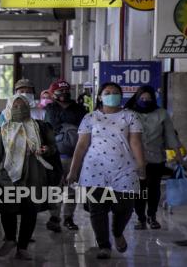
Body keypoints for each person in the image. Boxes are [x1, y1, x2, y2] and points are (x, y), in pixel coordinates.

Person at [66, 82, 146, 259]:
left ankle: (117, 232)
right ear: (100, 97)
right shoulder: (90, 118)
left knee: (124, 207)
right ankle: (104, 245)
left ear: (121, 96)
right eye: (107, 92)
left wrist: (141, 166)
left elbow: (135, 142)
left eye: (115, 92)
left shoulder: (130, 116)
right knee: (98, 210)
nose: (111, 95)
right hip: (94, 169)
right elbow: (81, 146)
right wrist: (73, 171)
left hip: (124, 168)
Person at [0, 95, 56, 260]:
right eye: (15, 106)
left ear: (28, 107)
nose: (19, 109)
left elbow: (53, 147)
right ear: (9, 108)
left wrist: (46, 149)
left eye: (22, 106)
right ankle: (10, 239)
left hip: (34, 176)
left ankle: (23, 247)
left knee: (30, 211)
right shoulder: (3, 130)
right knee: (7, 209)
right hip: (7, 178)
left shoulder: (40, 127)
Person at [124, 86, 182, 230]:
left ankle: (152, 216)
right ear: (137, 98)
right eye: (142, 98)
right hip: (134, 158)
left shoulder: (161, 113)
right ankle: (140, 218)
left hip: (156, 157)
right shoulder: (128, 113)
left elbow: (170, 134)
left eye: (149, 99)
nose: (145, 101)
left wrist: (178, 154)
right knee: (138, 189)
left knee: (154, 189)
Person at [44, 79, 87, 232]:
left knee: (71, 188)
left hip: (75, 155)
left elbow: (84, 129)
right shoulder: (50, 109)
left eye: (65, 91)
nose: (63, 94)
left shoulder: (79, 109)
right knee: (55, 188)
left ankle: (68, 217)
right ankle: (54, 217)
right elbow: (50, 127)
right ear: (53, 94)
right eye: (59, 91)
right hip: (55, 155)